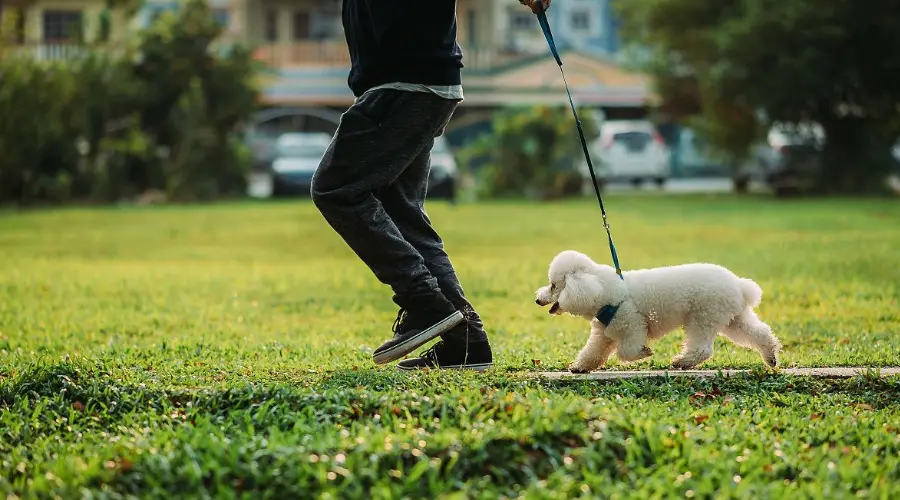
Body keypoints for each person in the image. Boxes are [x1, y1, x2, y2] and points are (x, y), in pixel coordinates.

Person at [310, 0, 551, 370]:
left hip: (403, 81)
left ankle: (423, 301)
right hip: (415, 82)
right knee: (402, 215)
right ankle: (465, 342)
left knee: (337, 189)